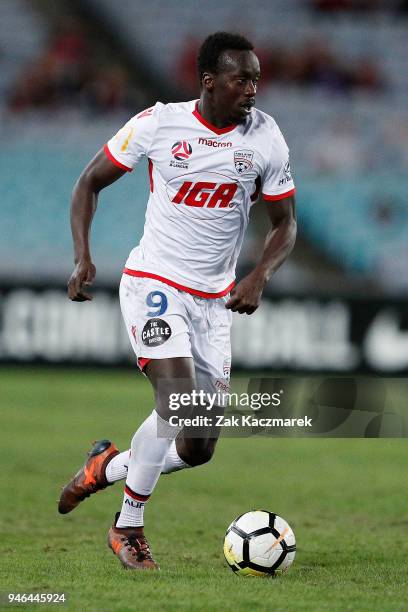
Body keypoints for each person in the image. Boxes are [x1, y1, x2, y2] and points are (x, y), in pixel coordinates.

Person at [58, 31, 297, 570]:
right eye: (242, 78)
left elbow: (285, 224)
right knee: (178, 402)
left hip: (214, 304)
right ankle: (128, 527)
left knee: (197, 448)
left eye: (257, 78)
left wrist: (259, 273)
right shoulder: (160, 124)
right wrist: (82, 256)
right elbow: (88, 183)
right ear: (210, 81)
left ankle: (106, 467)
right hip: (155, 284)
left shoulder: (266, 137)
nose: (253, 88)